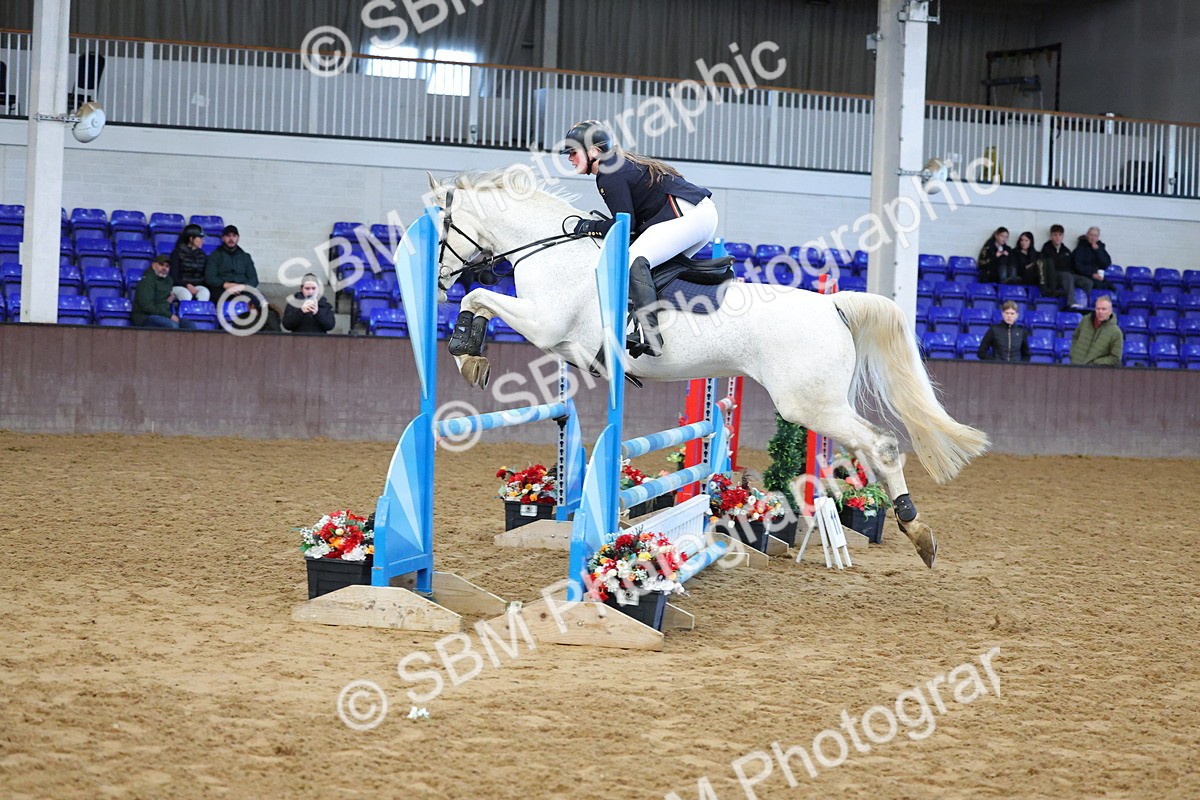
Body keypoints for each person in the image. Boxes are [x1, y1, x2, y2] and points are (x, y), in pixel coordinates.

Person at [561, 119, 717, 357]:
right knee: (653, 270)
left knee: (635, 259)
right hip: (698, 215)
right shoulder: (616, 165)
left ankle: (649, 334)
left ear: (593, 151)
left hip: (690, 216)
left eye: (573, 152)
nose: (569, 158)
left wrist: (587, 226)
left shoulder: (608, 172)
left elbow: (625, 226)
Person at [132, 254, 197, 329]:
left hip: (163, 315)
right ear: (153, 265)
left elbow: (164, 301)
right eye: (161, 265)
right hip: (145, 316)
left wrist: (168, 302)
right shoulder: (147, 281)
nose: (164, 268)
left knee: (190, 325)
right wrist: (168, 315)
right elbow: (147, 307)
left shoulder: (168, 281)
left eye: (167, 266)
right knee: (173, 326)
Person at [205, 224, 258, 300]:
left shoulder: (246, 256)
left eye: (234, 236)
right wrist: (225, 285)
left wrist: (242, 287)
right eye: (228, 236)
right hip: (222, 288)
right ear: (223, 238)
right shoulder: (215, 255)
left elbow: (253, 278)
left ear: (238, 238)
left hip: (242, 289)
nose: (231, 239)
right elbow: (210, 277)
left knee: (257, 300)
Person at [1069, 295, 1123, 366]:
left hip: (1096, 373)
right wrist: (1073, 355)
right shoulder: (1085, 320)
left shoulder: (1116, 332)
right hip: (1075, 367)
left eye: (1103, 309)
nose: (1100, 312)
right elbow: (1075, 337)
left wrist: (1095, 363)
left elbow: (1115, 358)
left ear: (1110, 311)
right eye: (1098, 309)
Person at [168, 224, 211, 303]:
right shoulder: (176, 253)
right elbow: (173, 277)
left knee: (205, 293)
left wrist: (194, 285)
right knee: (186, 294)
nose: (203, 241)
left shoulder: (202, 255)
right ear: (191, 238)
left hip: (196, 285)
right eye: (200, 238)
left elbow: (205, 276)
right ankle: (185, 315)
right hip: (179, 286)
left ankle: (200, 314)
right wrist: (186, 285)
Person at [1073, 226, 1118, 293]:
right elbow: (1077, 265)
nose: (1093, 238)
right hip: (1084, 276)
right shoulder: (1080, 248)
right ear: (1087, 235)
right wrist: (1092, 274)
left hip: (1098, 277)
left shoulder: (1100, 248)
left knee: (1112, 288)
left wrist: (1098, 250)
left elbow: (1106, 263)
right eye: (1091, 235)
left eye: (1095, 236)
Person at [1040, 224, 1072, 301]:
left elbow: (1071, 265)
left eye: (1060, 235)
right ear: (1051, 236)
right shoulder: (1046, 248)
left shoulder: (1066, 250)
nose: (1057, 237)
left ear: (1063, 236)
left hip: (1067, 273)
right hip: (1055, 275)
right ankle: (1071, 303)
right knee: (1068, 276)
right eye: (1055, 235)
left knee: (1087, 282)